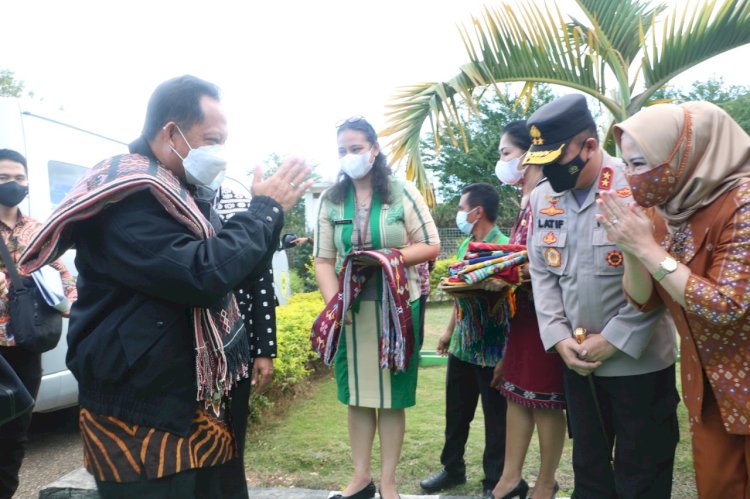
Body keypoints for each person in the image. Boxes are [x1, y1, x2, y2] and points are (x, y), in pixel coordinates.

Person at [18, 75, 311, 498]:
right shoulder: (129, 194)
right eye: (212, 139)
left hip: (191, 401)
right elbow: (204, 275)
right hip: (141, 413)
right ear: (171, 132)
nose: (220, 154)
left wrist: (266, 222)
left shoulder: (181, 191)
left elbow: (233, 270)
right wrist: (264, 212)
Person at [525, 94, 679, 499]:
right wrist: (558, 338)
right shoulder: (544, 196)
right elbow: (541, 273)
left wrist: (612, 340)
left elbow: (663, 276)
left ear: (589, 146)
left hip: (639, 365)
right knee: (590, 474)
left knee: (642, 476)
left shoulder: (637, 187)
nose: (549, 170)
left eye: (557, 159)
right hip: (578, 365)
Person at [597, 101, 750, 498]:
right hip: (710, 390)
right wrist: (630, 247)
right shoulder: (669, 210)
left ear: (682, 153)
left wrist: (647, 249)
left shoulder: (743, 201)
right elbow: (644, 301)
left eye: (640, 163)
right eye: (627, 164)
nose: (631, 176)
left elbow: (727, 306)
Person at [313, 116, 440, 499]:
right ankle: (361, 477)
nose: (349, 156)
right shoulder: (331, 200)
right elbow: (322, 259)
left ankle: (387, 483)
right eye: (342, 150)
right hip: (352, 312)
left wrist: (388, 258)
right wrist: (337, 306)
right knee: (356, 395)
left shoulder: (402, 192)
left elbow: (431, 244)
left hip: (399, 310)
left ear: (374, 149)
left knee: (390, 399)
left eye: (356, 148)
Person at [490, 122, 566, 499]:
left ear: (530, 154)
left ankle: (546, 483)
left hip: (547, 313)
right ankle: (510, 477)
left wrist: (506, 275)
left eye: (506, 153)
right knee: (515, 395)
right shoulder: (526, 199)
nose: (502, 162)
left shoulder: (550, 195)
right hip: (521, 315)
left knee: (544, 401)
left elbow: (552, 260)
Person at [421, 183, 509, 499]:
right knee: (456, 413)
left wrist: (507, 356)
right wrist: (447, 332)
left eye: (461, 208)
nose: (460, 213)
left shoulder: (506, 249)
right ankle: (452, 469)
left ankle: (494, 480)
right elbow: (460, 297)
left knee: (497, 420)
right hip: (463, 345)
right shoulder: (466, 247)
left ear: (478, 211)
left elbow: (514, 305)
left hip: (493, 349)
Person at [0, 148, 77, 499]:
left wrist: (71, 305)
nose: (12, 184)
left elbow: (61, 274)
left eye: (18, 177)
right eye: (3, 178)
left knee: (15, 436)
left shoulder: (37, 229)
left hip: (26, 346)